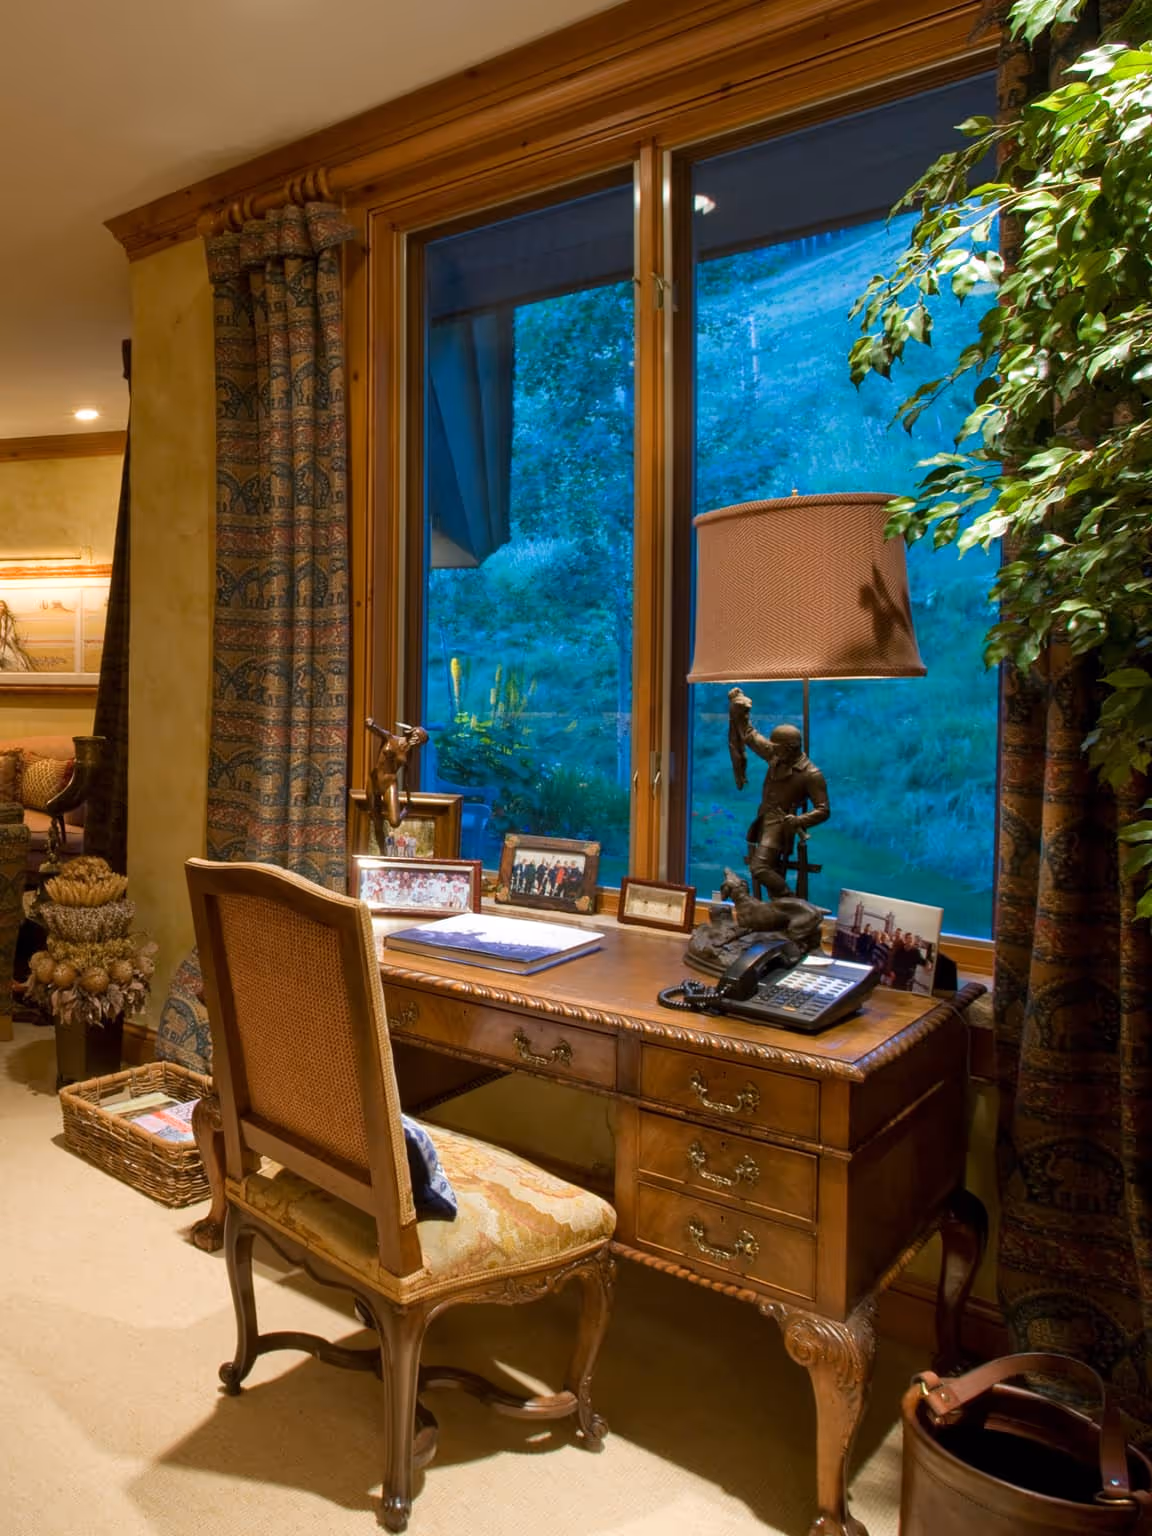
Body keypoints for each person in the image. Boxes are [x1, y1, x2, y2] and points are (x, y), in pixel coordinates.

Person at [727, 689, 830, 897]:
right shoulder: (776, 755)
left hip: (781, 826)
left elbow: (823, 810)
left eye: (778, 748)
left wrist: (800, 820)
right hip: (765, 818)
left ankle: (790, 902)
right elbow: (750, 736)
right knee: (768, 870)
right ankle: (781, 911)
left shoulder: (811, 774)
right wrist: (740, 709)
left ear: (791, 748)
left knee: (760, 868)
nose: (772, 750)